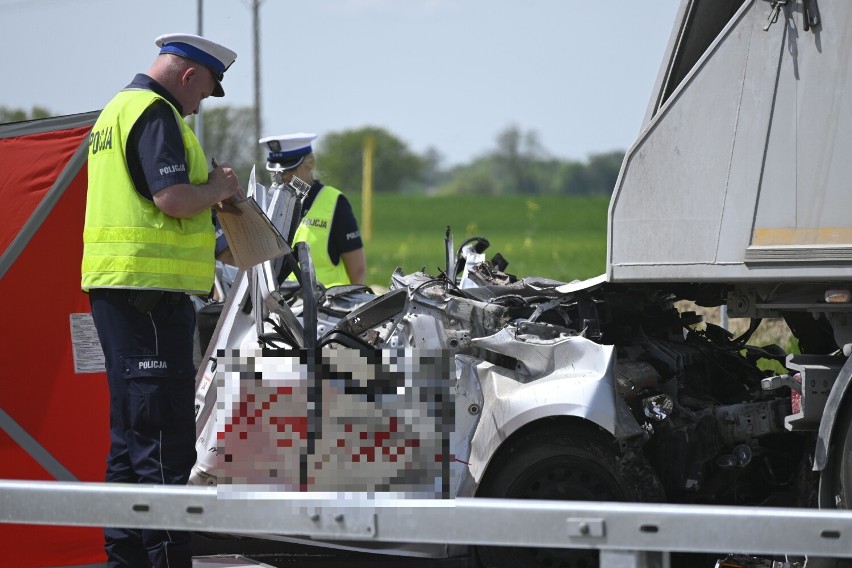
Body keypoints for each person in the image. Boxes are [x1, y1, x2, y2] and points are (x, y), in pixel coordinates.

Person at [81, 33, 241, 568]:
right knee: (162, 444)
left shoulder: (116, 111)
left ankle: (124, 558)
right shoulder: (155, 113)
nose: (200, 105)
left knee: (130, 442)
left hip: (123, 293)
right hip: (148, 300)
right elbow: (171, 200)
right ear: (189, 75)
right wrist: (219, 189)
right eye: (206, 92)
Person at [260, 133, 366, 286]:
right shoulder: (267, 205)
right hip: (282, 305)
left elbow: (357, 273)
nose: (283, 177)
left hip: (327, 306)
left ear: (310, 163)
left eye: (290, 170)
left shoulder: (335, 203)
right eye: (278, 172)